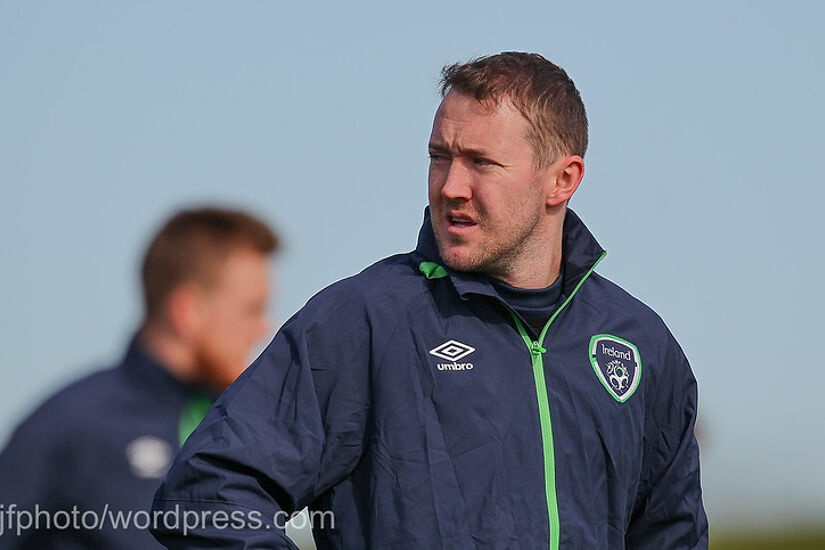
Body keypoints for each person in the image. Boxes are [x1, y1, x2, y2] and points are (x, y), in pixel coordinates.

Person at [151, 52, 708, 549]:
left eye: (481, 163)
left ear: (562, 180)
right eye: (440, 157)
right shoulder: (366, 320)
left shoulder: (642, 347)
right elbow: (208, 494)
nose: (450, 186)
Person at [0, 207, 279, 549]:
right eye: (251, 309)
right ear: (187, 310)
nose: (264, 327)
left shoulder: (243, 425)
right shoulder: (70, 424)